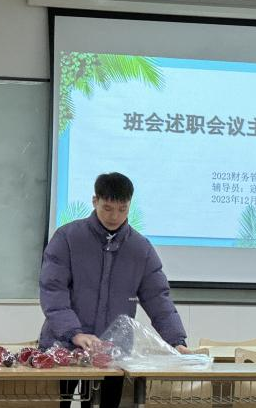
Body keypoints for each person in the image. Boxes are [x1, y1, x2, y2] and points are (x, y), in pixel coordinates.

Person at [39, 172, 190, 408]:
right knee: (61, 403)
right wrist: (74, 333)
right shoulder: (67, 238)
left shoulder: (140, 248)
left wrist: (176, 341)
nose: (114, 216)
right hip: (65, 347)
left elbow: (158, 298)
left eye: (122, 209)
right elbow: (53, 291)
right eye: (107, 208)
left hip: (113, 352)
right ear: (95, 201)